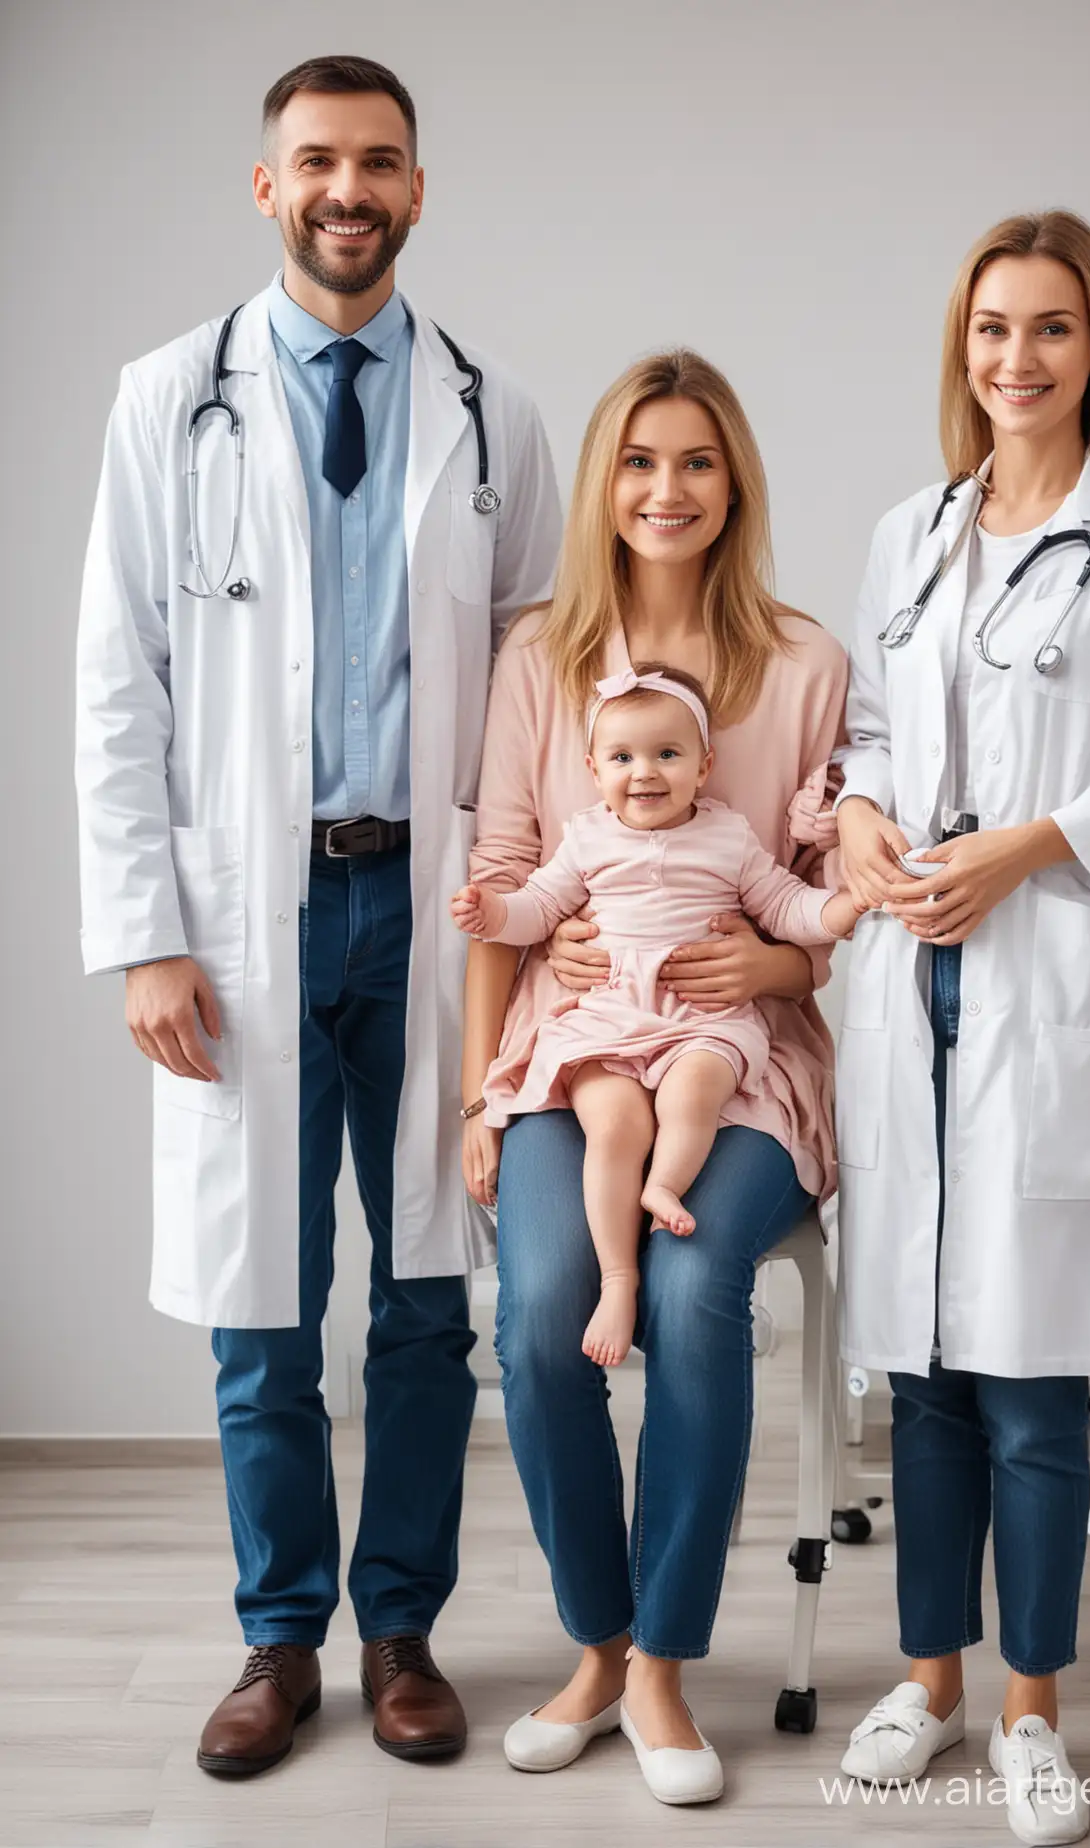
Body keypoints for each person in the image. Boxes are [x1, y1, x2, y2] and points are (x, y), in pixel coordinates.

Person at [74, 55, 560, 1777]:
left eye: (378, 161)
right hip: (244, 916)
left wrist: (531, 937)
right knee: (257, 1300)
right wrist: (145, 927)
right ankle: (279, 1638)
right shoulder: (164, 399)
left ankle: (404, 1626)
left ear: (417, 188)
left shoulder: (493, 414)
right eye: (316, 161)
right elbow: (113, 683)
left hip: (429, 908)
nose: (347, 188)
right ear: (265, 187)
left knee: (426, 1289)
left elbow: (538, 702)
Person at [831, 211, 1090, 1844]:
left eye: (1050, 331)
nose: (1015, 359)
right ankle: (926, 1680)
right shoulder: (908, 531)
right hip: (909, 984)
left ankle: (1028, 1706)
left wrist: (1030, 843)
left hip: (1040, 973)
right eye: (991, 328)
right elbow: (870, 729)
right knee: (924, 1377)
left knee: (1028, 1387)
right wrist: (867, 823)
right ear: (963, 345)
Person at [461, 350, 846, 1804]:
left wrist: (777, 970)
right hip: (569, 1060)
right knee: (549, 1304)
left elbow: (823, 905)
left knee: (693, 1296)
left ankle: (668, 1668)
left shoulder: (805, 663)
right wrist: (476, 1099)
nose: (665, 490)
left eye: (695, 461)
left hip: (743, 1064)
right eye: (637, 461)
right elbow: (506, 884)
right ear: (603, 484)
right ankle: (599, 1643)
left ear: (733, 478)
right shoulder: (538, 658)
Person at [452, 665, 861, 1365]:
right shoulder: (585, 839)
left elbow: (785, 905)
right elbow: (537, 907)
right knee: (613, 1125)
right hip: (607, 1020)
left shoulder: (728, 838)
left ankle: (664, 1185)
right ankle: (618, 1278)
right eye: (622, 758)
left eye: (667, 755)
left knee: (694, 1091)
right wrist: (494, 912)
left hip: (700, 1021)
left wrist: (841, 908)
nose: (645, 773)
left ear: (705, 766)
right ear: (593, 768)